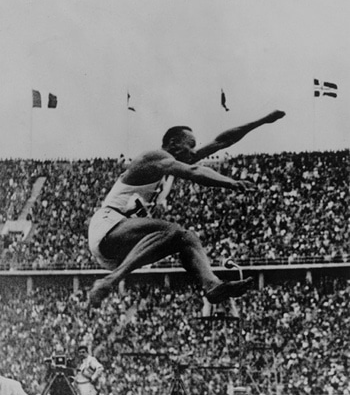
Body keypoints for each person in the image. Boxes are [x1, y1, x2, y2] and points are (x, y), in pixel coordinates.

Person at [88, 110, 285, 307]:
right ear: (173, 143)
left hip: (123, 243)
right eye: (190, 146)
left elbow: (222, 141)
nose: (193, 152)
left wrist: (262, 121)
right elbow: (193, 171)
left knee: (186, 237)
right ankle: (109, 281)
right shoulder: (155, 157)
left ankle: (212, 286)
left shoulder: (171, 162)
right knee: (170, 229)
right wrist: (230, 182)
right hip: (108, 226)